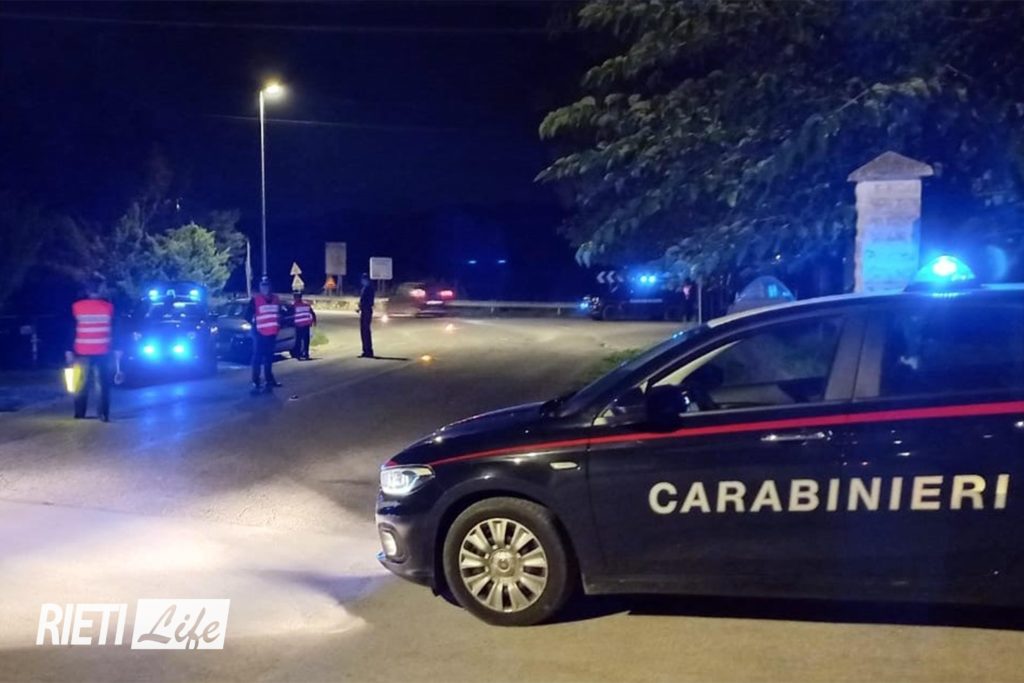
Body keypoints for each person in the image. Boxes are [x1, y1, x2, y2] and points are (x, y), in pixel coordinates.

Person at [67, 278, 122, 422]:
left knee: (80, 383)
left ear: (87, 291)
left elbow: (70, 330)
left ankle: (79, 413)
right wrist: (117, 348)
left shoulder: (76, 307)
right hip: (103, 350)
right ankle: (103, 414)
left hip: (81, 350)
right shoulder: (109, 307)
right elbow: (116, 329)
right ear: (100, 290)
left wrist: (68, 350)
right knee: (103, 384)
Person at [248, 277, 283, 394]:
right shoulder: (255, 300)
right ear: (260, 287)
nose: (265, 288)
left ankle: (269, 380)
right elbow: (247, 315)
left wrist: (279, 325)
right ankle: (256, 382)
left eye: (266, 285)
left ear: (270, 287)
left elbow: (279, 314)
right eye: (262, 285)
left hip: (272, 333)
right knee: (257, 359)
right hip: (259, 334)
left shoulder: (276, 299)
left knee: (269, 359)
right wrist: (255, 323)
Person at [292, 291, 317, 360]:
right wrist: (314, 321)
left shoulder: (294, 306)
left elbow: (291, 315)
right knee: (306, 340)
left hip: (299, 325)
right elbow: (312, 313)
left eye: (295, 297)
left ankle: (299, 355)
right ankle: (306, 354)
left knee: (299, 340)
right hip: (306, 325)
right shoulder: (306, 305)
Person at [357, 273, 375, 358]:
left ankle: (367, 351)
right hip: (365, 310)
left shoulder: (368, 288)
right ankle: (366, 350)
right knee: (364, 331)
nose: (362, 281)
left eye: (363, 279)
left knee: (365, 331)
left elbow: (367, 301)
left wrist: (362, 306)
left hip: (366, 310)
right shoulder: (367, 288)